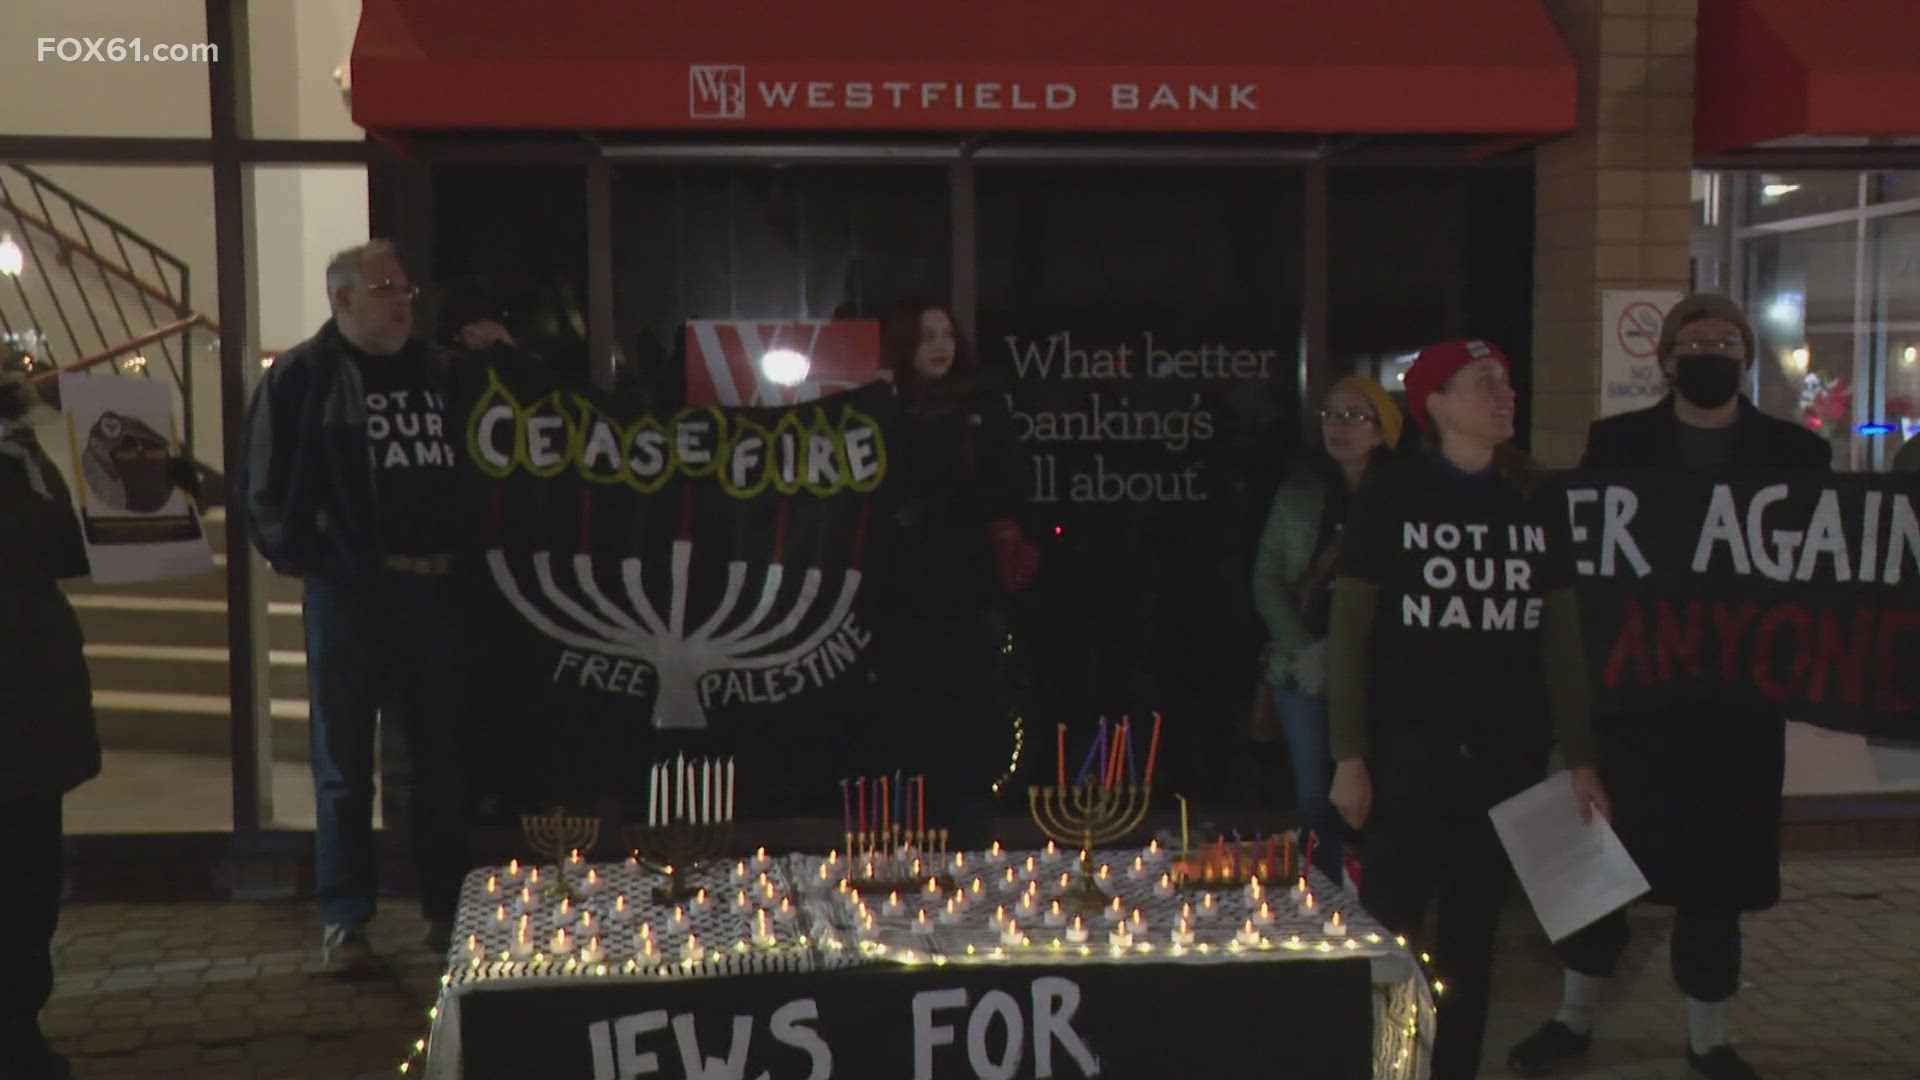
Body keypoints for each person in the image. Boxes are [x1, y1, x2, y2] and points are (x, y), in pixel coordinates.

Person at [1508, 294, 1830, 1080]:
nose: (1711, 351)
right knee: (1600, 860)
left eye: (1727, 340)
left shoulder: (1797, 455)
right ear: (1667, 358)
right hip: (1634, 695)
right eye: (1696, 340)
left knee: (1717, 873)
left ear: (1747, 357)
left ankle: (1708, 1035)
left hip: (1737, 704)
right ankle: (1573, 1015)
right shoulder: (1617, 444)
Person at [1326, 339, 1608, 1080]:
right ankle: (1390, 1069)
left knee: (1472, 940)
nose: (1504, 395)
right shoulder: (1394, 494)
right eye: (1485, 383)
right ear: (1437, 405)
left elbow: (1562, 640)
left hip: (1505, 759)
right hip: (1407, 754)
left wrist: (1580, 759)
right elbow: (1351, 634)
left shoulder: (1534, 498)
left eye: (1507, 382)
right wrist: (1349, 756)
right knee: (1391, 932)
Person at [236, 240, 472, 977]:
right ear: (342, 300)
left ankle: (447, 912)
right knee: (343, 763)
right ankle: (347, 920)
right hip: (350, 592)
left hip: (432, 588)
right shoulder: (305, 376)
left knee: (440, 757)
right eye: (385, 288)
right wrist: (310, 555)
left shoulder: (437, 371)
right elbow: (263, 482)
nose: (403, 300)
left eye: (406, 286)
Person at [869, 299, 1038, 846]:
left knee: (969, 732)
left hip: (969, 596)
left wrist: (935, 508)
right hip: (905, 602)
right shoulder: (885, 409)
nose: (940, 346)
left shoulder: (981, 406)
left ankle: (968, 852)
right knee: (906, 733)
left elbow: (1008, 487)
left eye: (946, 334)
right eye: (926, 336)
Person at [1251, 376, 1402, 883]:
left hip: (1384, 673)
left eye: (1355, 416)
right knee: (1318, 801)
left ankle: (1381, 908)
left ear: (1383, 430)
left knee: (1385, 798)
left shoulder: (1405, 495)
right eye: (1330, 415)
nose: (1339, 426)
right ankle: (1325, 907)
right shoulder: (1300, 490)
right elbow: (1267, 578)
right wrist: (1307, 651)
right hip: (1304, 671)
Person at [0, 372, 96, 1080]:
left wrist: (140, 500)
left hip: (33, 693)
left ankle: (19, 1027)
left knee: (31, 873)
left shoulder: (21, 449)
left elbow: (62, 549)